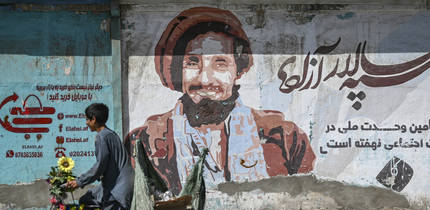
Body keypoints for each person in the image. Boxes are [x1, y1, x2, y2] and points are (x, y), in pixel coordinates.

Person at [125, 7, 316, 195]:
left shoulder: (285, 138)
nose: (206, 80)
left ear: (237, 69)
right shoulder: (144, 142)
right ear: (177, 72)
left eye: (220, 63)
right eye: (192, 62)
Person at [67, 103, 134, 210]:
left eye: (87, 119)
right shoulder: (111, 134)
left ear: (94, 119)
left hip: (117, 188)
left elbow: (100, 167)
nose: (85, 122)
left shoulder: (101, 137)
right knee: (86, 200)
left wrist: (79, 181)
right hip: (114, 183)